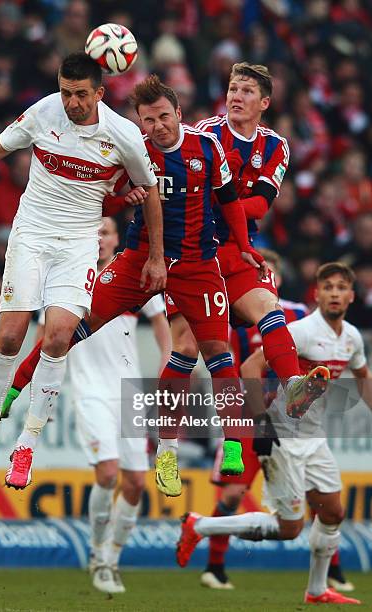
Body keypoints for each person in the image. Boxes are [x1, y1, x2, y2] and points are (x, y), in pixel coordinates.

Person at [1, 74, 267, 496]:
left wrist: (245, 246)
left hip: (197, 264)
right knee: (70, 328)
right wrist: (121, 200)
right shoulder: (132, 150)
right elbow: (104, 200)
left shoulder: (207, 147)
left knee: (217, 354)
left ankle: (222, 445)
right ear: (139, 123)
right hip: (138, 261)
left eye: (164, 117)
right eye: (148, 120)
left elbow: (230, 201)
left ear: (178, 114)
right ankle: (13, 387)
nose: (158, 126)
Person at [0, 52, 165, 490]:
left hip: (78, 243)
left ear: (99, 92)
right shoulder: (43, 111)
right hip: (31, 233)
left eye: (79, 94)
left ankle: (27, 445)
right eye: (65, 91)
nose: (70, 102)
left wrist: (156, 256)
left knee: (57, 337)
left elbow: (149, 191)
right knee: (10, 336)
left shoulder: (123, 135)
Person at [164, 63, 328, 477]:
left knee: (270, 309)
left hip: (235, 250)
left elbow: (261, 205)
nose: (236, 96)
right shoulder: (203, 133)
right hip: (189, 250)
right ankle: (167, 447)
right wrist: (227, 197)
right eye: (233, 88)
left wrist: (222, 198)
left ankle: (293, 386)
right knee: (188, 348)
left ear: (265, 103)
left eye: (247, 91)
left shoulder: (276, 145)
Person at [177, 262, 372, 605]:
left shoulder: (352, 338)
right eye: (328, 288)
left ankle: (316, 590)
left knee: (333, 513)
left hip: (315, 437)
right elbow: (251, 367)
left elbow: (362, 378)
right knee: (290, 528)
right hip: (282, 435)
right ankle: (199, 525)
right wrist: (261, 421)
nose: (335, 294)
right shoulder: (302, 331)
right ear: (317, 294)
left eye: (341, 288)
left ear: (352, 296)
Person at [4, 217, 170, 594]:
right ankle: (97, 554)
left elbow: (163, 327)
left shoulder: (135, 274)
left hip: (130, 393)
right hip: (90, 390)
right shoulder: (68, 277)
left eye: (106, 231)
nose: (99, 237)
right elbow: (45, 336)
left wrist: (167, 368)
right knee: (108, 474)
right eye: (94, 230)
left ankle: (112, 557)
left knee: (135, 483)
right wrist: (29, 381)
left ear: (117, 238)